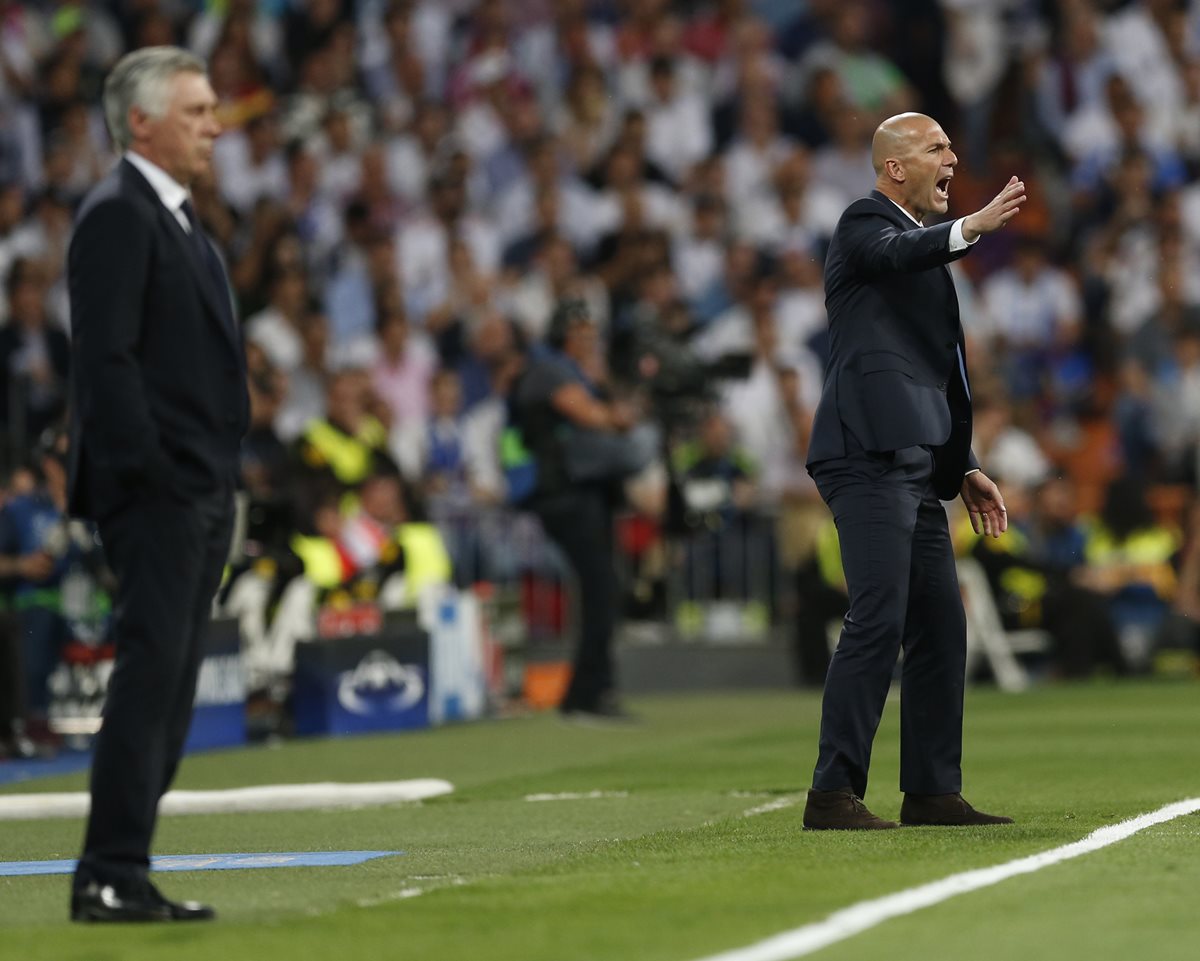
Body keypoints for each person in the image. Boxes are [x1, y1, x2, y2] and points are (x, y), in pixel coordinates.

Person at [801, 112, 1025, 830]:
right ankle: (832, 794)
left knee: (939, 620)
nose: (953, 157)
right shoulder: (863, 223)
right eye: (937, 148)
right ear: (895, 168)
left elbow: (947, 372)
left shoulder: (925, 259)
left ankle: (931, 789)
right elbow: (899, 253)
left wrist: (965, 467)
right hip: (864, 450)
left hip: (918, 459)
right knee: (879, 613)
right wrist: (974, 228)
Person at [65, 47, 247, 920]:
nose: (215, 124)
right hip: (162, 495)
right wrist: (157, 477)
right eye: (198, 110)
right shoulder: (119, 215)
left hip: (197, 491)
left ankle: (123, 869)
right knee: (150, 682)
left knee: (169, 691)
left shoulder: (172, 217)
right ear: (141, 122)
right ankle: (107, 869)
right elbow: (106, 363)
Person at [502, 300, 654, 722]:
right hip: (563, 493)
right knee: (601, 587)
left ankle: (587, 692)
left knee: (601, 587)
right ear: (562, 335)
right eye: (580, 333)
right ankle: (589, 694)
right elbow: (591, 416)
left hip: (583, 491)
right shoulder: (549, 370)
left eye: (592, 333)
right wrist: (622, 412)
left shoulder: (573, 371)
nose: (589, 341)